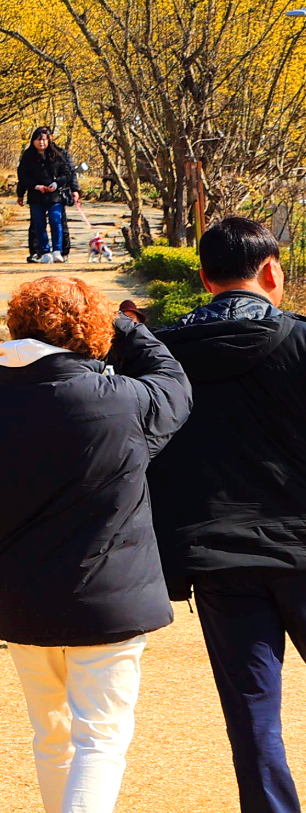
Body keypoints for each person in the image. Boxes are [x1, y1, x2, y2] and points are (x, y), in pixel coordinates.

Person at [0, 274, 190, 813]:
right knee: (100, 739)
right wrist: (125, 326)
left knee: (51, 736)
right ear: (91, 332)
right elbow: (173, 383)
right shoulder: (123, 402)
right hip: (109, 599)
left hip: (21, 598)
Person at [147, 215, 306, 813]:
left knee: (253, 718)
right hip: (301, 543)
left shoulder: (162, 352)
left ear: (205, 279)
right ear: (270, 271)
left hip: (214, 555)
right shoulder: (300, 340)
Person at [19, 127, 82, 264]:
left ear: (49, 140)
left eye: (44, 139)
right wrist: (28, 190)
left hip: (55, 195)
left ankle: (58, 251)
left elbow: (68, 172)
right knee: (38, 224)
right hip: (36, 195)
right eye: (38, 139)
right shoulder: (28, 156)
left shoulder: (58, 155)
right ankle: (43, 251)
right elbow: (23, 176)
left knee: (56, 220)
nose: (41, 143)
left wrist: (60, 185)